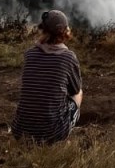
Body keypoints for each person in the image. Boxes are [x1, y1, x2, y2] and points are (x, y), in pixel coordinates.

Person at [11, 9, 83, 144]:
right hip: (51, 134)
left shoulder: (29, 54)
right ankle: (62, 136)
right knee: (78, 94)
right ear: (64, 32)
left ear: (43, 29)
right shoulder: (68, 57)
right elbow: (75, 90)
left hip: (20, 131)